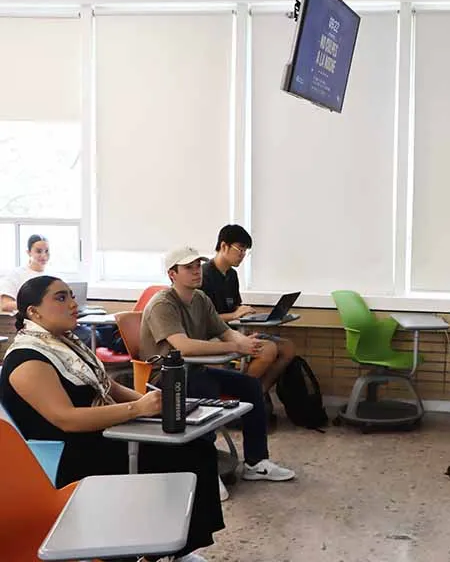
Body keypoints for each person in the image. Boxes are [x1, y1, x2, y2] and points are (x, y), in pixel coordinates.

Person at [0, 276, 223, 562]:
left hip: (97, 435)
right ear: (33, 312)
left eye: (70, 296)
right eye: (60, 298)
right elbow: (67, 419)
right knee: (182, 460)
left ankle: (172, 549)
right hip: (67, 456)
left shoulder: (67, 346)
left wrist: (162, 406)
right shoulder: (28, 359)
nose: (71, 304)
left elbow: (112, 389)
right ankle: (149, 550)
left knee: (197, 448)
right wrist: (138, 410)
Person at [140, 246, 295, 501]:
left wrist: (246, 343)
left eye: (197, 266)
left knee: (250, 387)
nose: (196, 271)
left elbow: (225, 331)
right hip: (163, 378)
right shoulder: (162, 304)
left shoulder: (200, 299)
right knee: (205, 389)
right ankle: (204, 471)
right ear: (172, 274)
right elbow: (184, 346)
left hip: (194, 371)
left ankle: (256, 462)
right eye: (188, 268)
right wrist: (236, 346)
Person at [200, 224, 294, 393]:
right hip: (213, 335)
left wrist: (247, 314)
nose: (243, 255)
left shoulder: (231, 275)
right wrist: (235, 314)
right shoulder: (203, 275)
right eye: (240, 249)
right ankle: (240, 394)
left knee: (287, 348)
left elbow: (235, 308)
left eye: (245, 251)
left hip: (234, 330)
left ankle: (258, 393)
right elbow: (204, 320)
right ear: (223, 246)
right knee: (267, 350)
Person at [0, 234, 49, 313]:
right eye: (39, 251)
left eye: (46, 251)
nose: (44, 255)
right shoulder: (15, 274)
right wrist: (35, 307)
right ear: (29, 252)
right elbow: (5, 304)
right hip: (25, 321)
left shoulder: (53, 276)